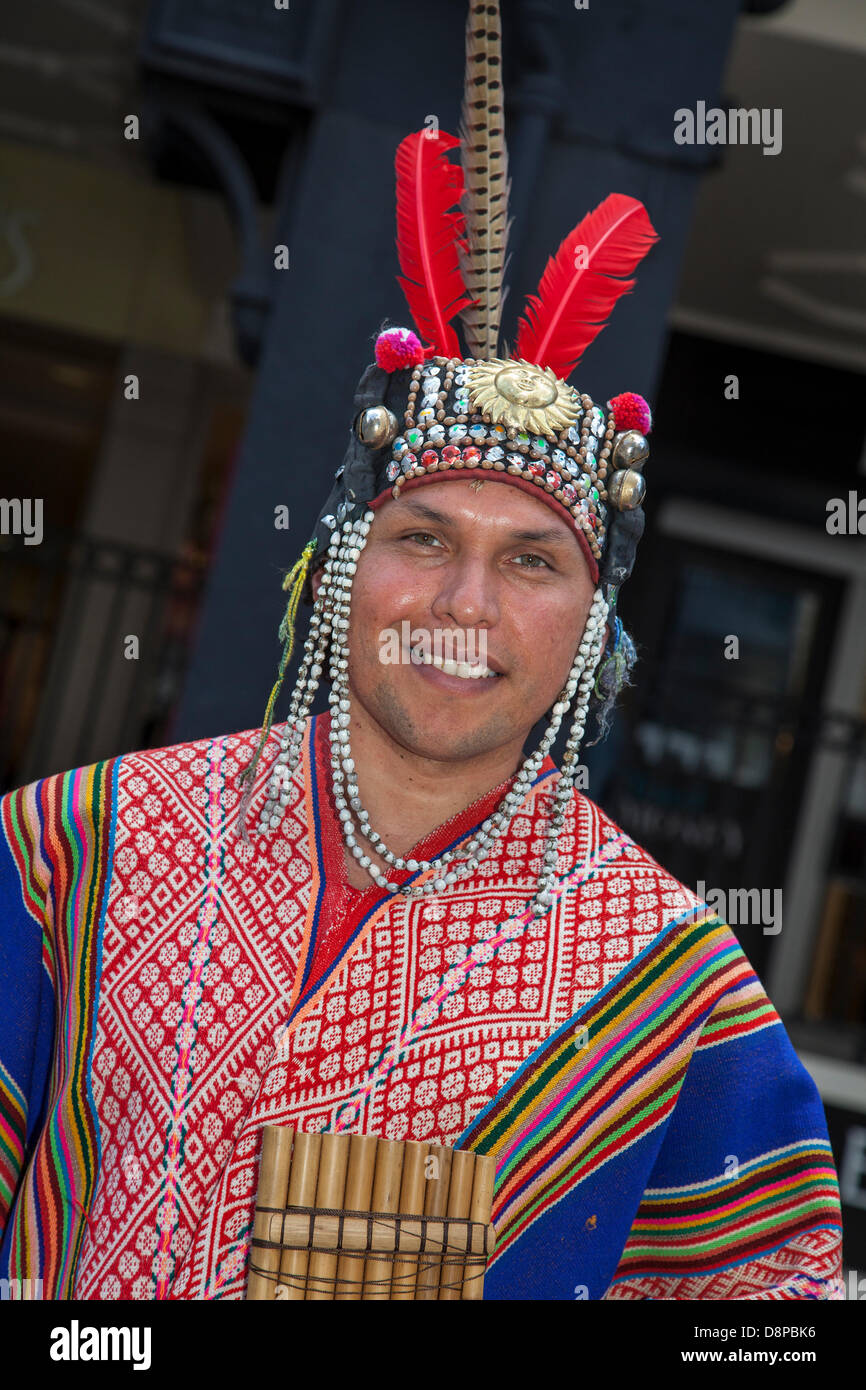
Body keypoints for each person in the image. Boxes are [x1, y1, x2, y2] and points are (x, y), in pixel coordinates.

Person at [0, 0, 843, 1301]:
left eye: (531, 560)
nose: (464, 598)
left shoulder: (674, 988)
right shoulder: (79, 849)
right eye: (421, 535)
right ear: (341, 568)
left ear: (589, 633)